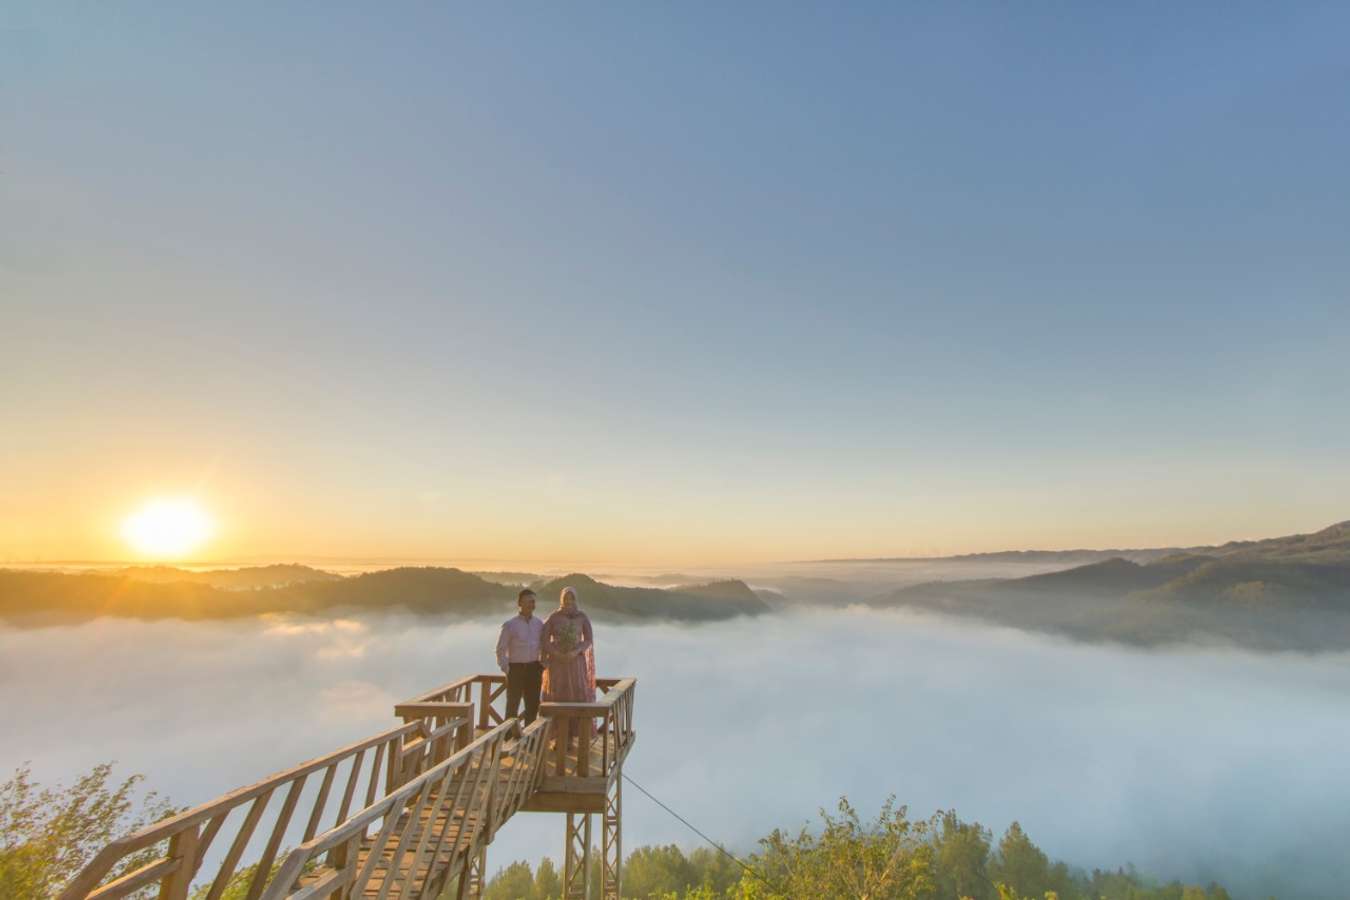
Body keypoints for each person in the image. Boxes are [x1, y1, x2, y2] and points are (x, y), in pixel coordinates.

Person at [542, 586, 597, 744]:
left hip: (576, 663)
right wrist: (556, 653)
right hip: (557, 664)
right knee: (558, 695)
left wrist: (577, 650)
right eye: (566, 598)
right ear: (561, 599)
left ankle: (573, 737)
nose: (568, 601)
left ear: (575, 599)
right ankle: (559, 738)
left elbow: (588, 639)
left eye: (571, 598)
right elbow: (544, 640)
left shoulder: (582, 617)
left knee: (576, 695)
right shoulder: (554, 617)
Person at [496, 588, 545, 724]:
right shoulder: (510, 625)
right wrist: (507, 669)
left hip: (534, 668)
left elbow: (544, 645)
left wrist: (543, 665)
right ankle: (508, 740)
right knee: (512, 706)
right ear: (520, 603)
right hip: (516, 669)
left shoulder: (539, 624)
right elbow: (501, 649)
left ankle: (530, 741)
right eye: (528, 601)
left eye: (533, 602)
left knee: (533, 706)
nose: (531, 604)